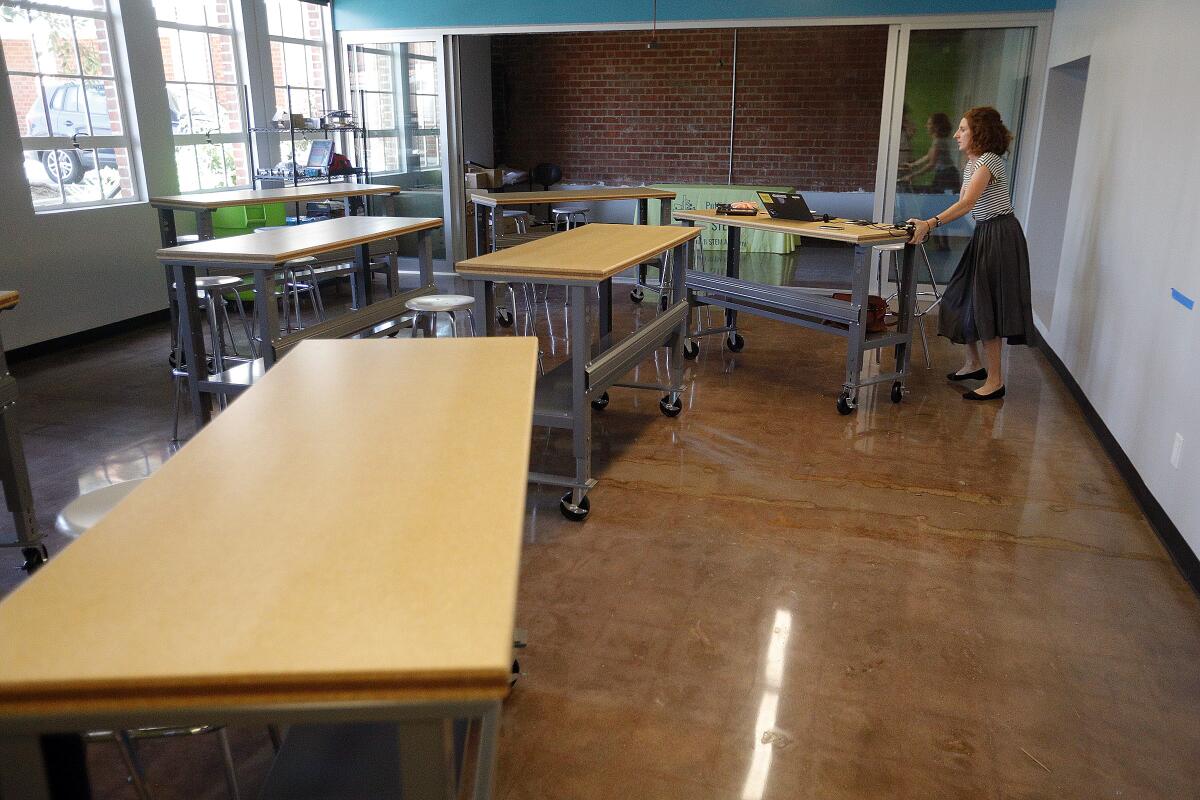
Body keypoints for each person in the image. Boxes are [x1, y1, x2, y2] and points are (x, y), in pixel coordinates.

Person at [907, 106, 1034, 401]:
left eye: (963, 129)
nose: (956, 135)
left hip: (1001, 235)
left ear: (979, 132)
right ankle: (974, 363)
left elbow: (967, 203)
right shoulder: (973, 163)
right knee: (957, 296)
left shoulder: (990, 161)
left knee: (987, 305)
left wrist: (930, 223)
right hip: (986, 232)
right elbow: (968, 204)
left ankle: (996, 381)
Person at [903, 112, 959, 192]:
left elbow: (931, 164)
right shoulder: (938, 141)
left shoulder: (938, 142)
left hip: (946, 175)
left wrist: (913, 175)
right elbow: (928, 156)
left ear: (936, 127)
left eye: (929, 124)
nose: (927, 126)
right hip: (945, 174)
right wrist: (912, 165)